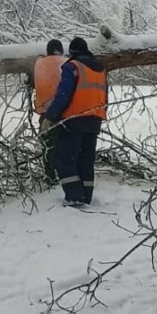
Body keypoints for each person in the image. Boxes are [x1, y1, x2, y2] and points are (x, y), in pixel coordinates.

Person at [45, 37, 108, 207]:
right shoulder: (100, 69)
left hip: (73, 120)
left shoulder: (72, 67)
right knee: (85, 161)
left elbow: (63, 95)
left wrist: (50, 116)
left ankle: (74, 196)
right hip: (94, 121)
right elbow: (104, 96)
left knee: (65, 159)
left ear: (72, 52)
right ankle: (86, 196)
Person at [32, 39, 68, 185]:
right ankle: (65, 175)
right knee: (65, 146)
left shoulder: (39, 63)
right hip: (65, 111)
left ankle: (50, 177)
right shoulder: (67, 62)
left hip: (45, 112)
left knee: (48, 148)